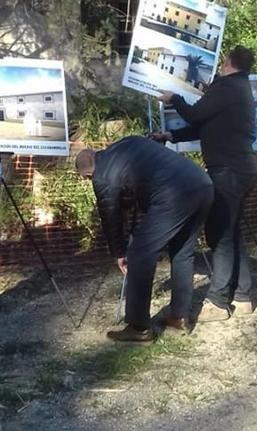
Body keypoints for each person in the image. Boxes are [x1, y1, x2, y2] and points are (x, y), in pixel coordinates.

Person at [154, 45, 257, 322]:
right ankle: (244, 296)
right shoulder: (239, 88)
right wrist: (170, 136)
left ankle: (217, 301)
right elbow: (204, 124)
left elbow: (194, 115)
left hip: (228, 171)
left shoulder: (225, 87)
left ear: (227, 62)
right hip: (242, 170)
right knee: (233, 233)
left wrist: (174, 98)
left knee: (220, 235)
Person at [76, 136, 213, 341]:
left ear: (87, 173)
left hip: (173, 194)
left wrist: (120, 252)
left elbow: (110, 216)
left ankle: (138, 327)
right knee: (182, 251)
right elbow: (131, 200)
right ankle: (179, 316)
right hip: (202, 184)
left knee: (139, 255)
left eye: (88, 179)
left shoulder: (102, 176)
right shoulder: (125, 145)